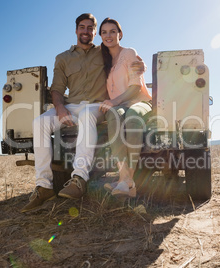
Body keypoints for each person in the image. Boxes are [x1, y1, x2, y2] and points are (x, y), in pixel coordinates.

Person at [21, 14, 145, 213]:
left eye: (90, 28)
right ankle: (43, 186)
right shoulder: (62, 58)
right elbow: (57, 89)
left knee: (87, 113)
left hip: (97, 106)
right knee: (39, 122)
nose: (86, 31)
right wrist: (60, 109)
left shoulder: (104, 51)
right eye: (82, 27)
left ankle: (79, 179)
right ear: (76, 30)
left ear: (95, 32)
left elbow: (124, 59)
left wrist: (140, 66)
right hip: (70, 106)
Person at [98, 18, 152, 198]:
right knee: (113, 114)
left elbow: (135, 86)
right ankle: (125, 180)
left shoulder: (129, 53)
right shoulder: (103, 59)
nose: (108, 35)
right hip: (119, 105)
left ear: (120, 34)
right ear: (101, 36)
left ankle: (127, 180)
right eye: (104, 32)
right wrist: (113, 103)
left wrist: (114, 101)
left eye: (112, 31)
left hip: (139, 101)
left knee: (133, 115)